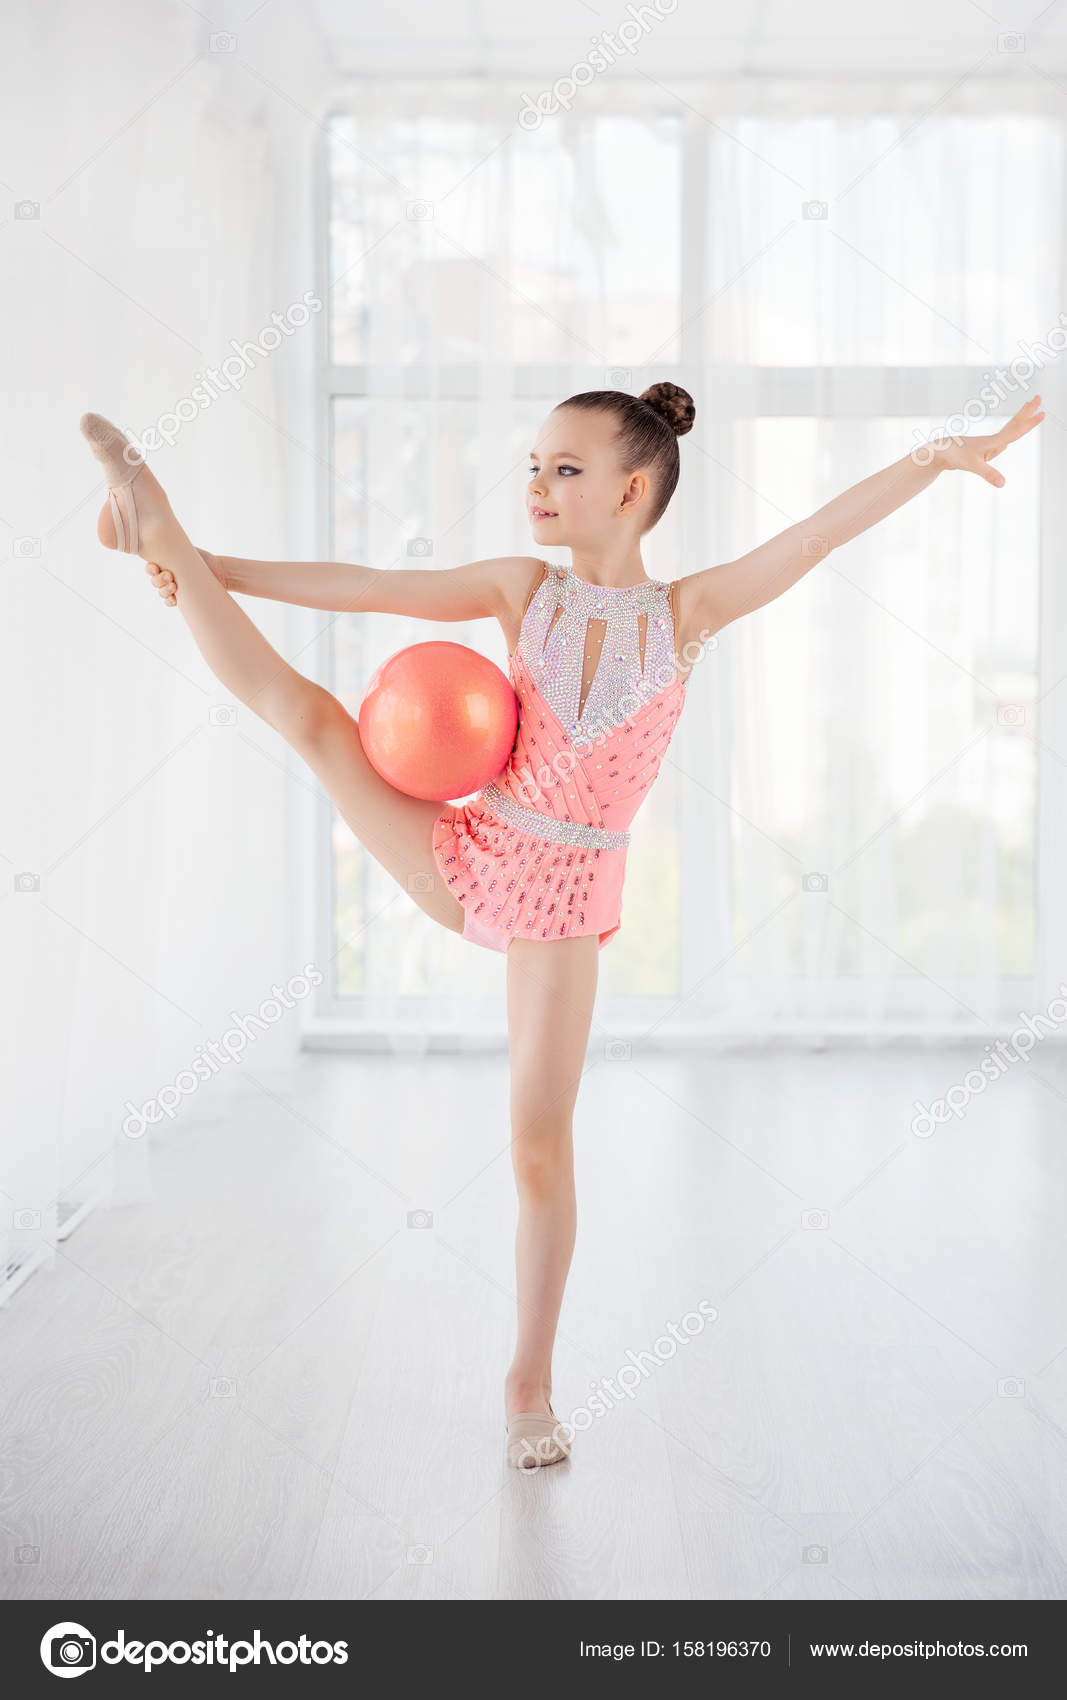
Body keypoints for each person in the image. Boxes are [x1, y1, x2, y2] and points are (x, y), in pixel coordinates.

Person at [80, 383, 1043, 1469]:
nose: (535, 485)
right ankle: (152, 521)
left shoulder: (687, 613)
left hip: (564, 901)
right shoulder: (518, 588)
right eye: (531, 464)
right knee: (309, 717)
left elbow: (815, 534)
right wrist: (207, 565)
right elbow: (367, 587)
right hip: (469, 851)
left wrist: (933, 456)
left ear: (632, 490)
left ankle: (527, 1379)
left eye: (563, 470)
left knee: (538, 1148)